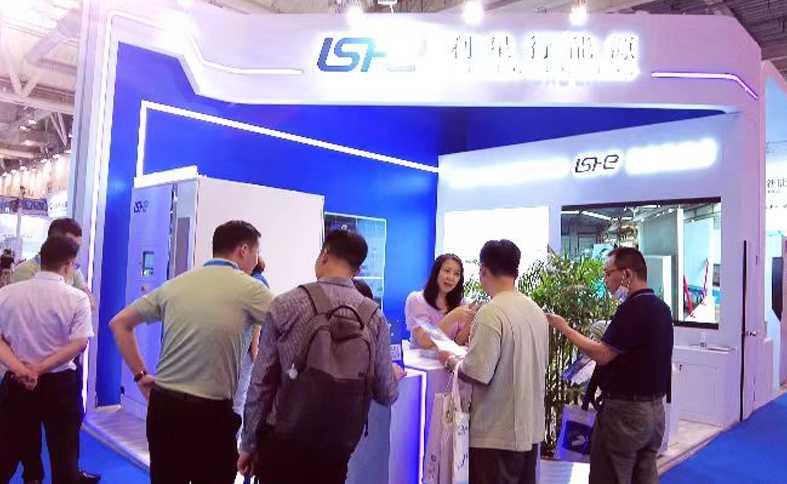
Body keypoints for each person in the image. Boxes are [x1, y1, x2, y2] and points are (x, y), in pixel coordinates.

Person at [110, 220, 273, 484]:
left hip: (164, 408)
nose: (256, 260)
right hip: (210, 414)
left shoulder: (176, 284)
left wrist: (140, 375)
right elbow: (292, 323)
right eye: (256, 252)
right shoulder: (251, 288)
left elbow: (119, 323)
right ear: (243, 250)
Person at [238, 229, 404, 484]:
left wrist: (248, 443)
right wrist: (392, 374)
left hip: (283, 438)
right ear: (358, 269)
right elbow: (386, 394)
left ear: (324, 254)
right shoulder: (374, 317)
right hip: (337, 444)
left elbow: (261, 382)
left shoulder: (286, 303)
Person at [547, 247, 674, 484]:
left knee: (610, 475)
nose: (605, 280)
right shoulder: (661, 308)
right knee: (645, 475)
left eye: (608, 273)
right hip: (655, 412)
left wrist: (565, 329)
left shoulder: (632, 309)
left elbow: (603, 354)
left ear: (627, 274)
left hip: (625, 414)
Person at [438, 240, 548, 484]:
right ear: (515, 271)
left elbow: (478, 372)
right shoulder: (535, 310)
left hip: (496, 435)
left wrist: (452, 362)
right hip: (530, 431)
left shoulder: (491, 312)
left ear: (483, 270)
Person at [7, 218, 99, 484]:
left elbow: (89, 302)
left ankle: (52, 475)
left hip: (31, 374)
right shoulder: (25, 274)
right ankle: (36, 475)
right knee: (39, 440)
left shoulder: (9, 292)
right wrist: (33, 368)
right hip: (45, 375)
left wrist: (25, 368)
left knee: (53, 438)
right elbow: (78, 340)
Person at [405, 254, 475, 349]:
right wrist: (452, 316)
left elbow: (459, 342)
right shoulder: (417, 300)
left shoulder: (461, 303)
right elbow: (424, 341)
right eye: (447, 271)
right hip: (420, 357)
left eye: (456, 274)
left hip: (449, 357)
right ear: (436, 272)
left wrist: (470, 321)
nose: (451, 277)